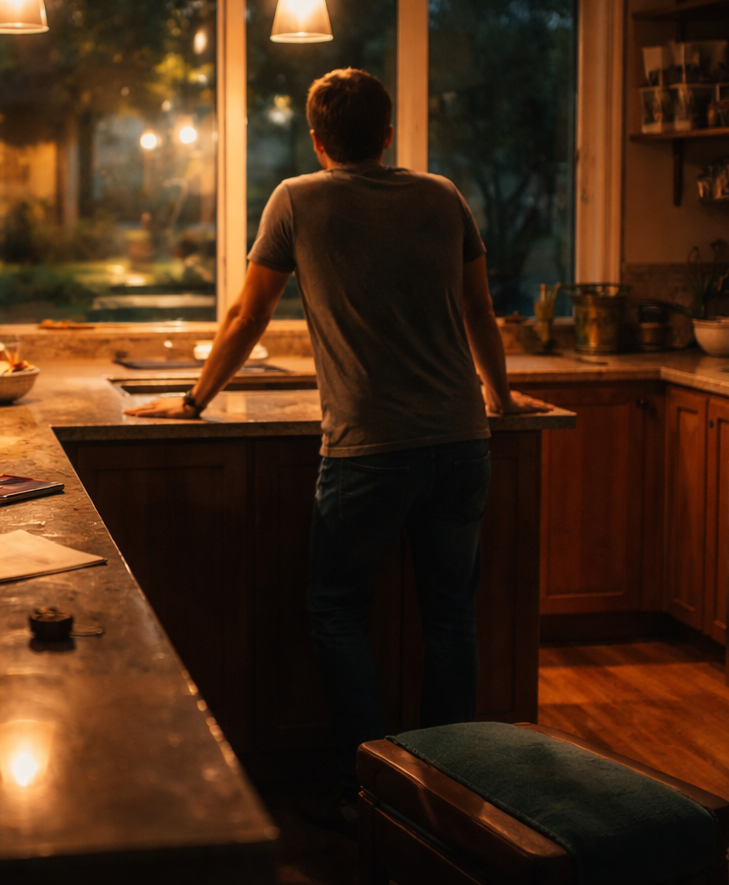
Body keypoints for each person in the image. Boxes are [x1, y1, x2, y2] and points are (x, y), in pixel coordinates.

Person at [125, 68, 548, 824]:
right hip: (460, 442)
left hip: (368, 450)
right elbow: (481, 311)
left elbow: (247, 317)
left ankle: (370, 783)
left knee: (337, 609)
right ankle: (454, 783)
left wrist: (193, 401)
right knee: (450, 616)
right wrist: (502, 397)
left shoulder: (298, 199)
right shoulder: (444, 195)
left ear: (319, 140)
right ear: (388, 133)